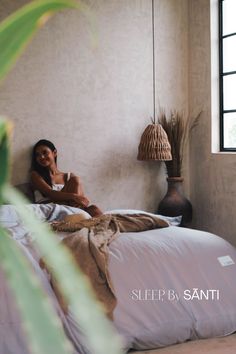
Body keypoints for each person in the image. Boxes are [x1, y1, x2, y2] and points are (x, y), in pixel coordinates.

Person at [30, 139, 102, 217]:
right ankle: (76, 217)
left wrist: (78, 200)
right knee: (75, 180)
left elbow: (81, 198)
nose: (42, 157)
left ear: (54, 153)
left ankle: (77, 216)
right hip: (51, 208)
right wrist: (74, 197)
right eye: (37, 155)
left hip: (71, 207)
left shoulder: (68, 176)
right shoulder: (35, 175)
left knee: (95, 209)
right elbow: (50, 193)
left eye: (44, 152)